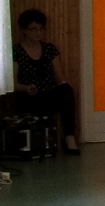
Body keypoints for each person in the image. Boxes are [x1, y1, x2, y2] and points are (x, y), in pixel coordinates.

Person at [11, 9, 80, 154]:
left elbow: (59, 77)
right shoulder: (17, 51)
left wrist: (64, 85)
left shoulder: (49, 49)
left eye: (41, 29)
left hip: (49, 94)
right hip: (28, 95)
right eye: (34, 29)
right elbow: (12, 83)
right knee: (22, 98)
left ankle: (69, 137)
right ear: (24, 30)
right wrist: (26, 88)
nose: (38, 33)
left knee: (66, 90)